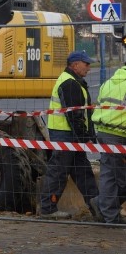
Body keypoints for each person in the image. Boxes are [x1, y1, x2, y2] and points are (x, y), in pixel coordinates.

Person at [39, 50, 99, 219]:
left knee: (82, 171)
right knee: (59, 170)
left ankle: (98, 207)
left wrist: (86, 135)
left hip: (70, 134)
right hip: (65, 134)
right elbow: (74, 115)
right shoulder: (70, 83)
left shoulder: (74, 81)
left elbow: (80, 114)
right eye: (86, 64)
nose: (88, 67)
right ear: (75, 65)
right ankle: (47, 208)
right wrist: (84, 138)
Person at [90, 65, 126, 225]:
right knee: (121, 178)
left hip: (104, 133)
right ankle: (108, 212)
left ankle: (104, 209)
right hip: (119, 135)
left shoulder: (109, 83)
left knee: (109, 175)